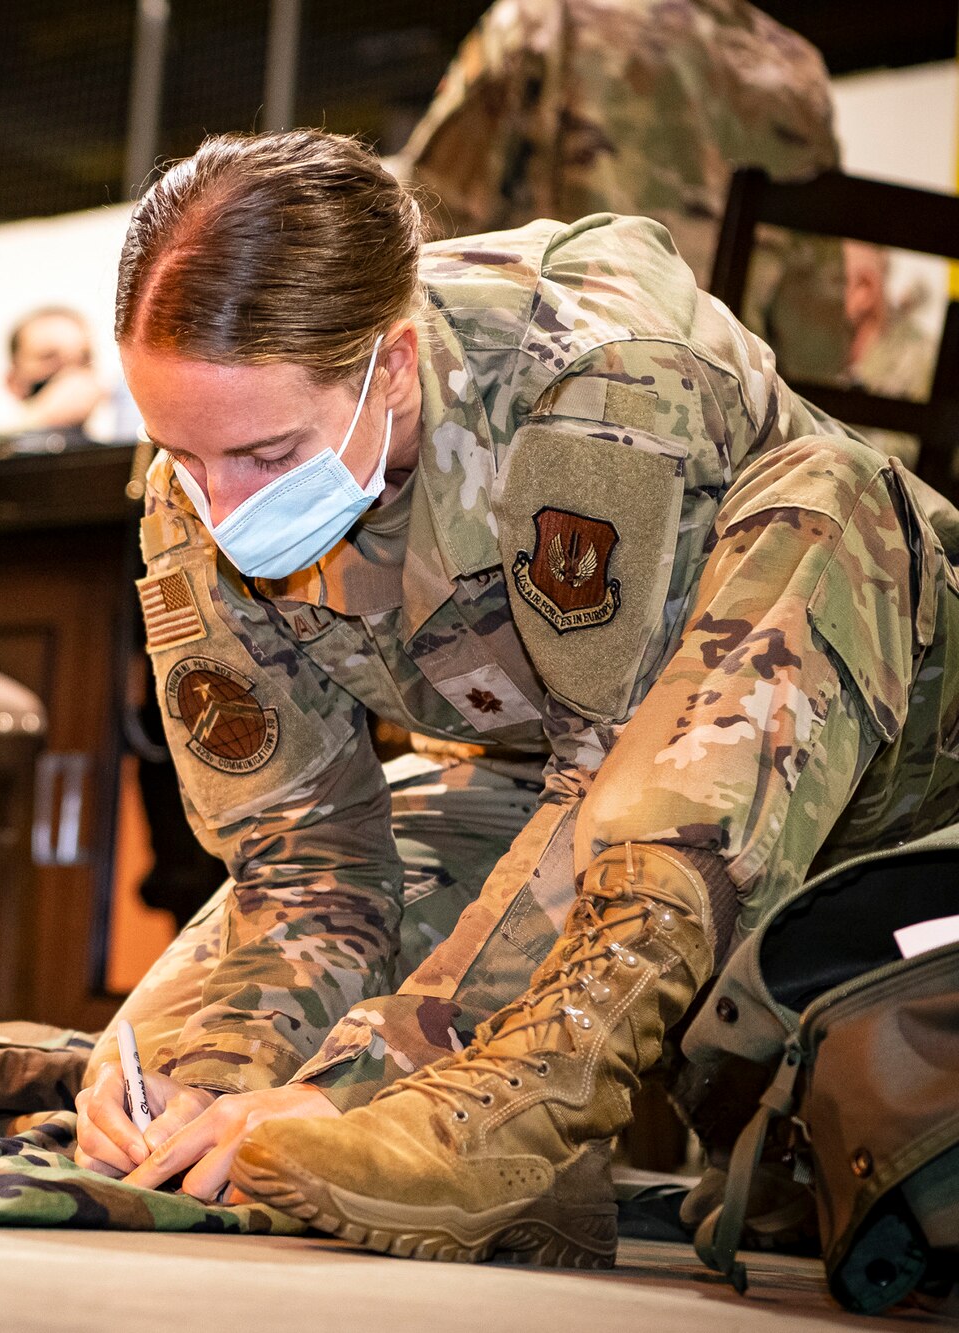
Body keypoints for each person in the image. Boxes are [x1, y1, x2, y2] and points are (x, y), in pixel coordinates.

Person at [74, 130, 959, 1267]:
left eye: (263, 453)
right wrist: (210, 1070)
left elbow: (608, 786)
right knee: (155, 1079)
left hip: (886, 795)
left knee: (831, 495)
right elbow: (302, 864)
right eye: (179, 454)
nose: (217, 504)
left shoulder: (595, 389)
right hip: (579, 794)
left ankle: (520, 1116)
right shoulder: (201, 470)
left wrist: (372, 1076)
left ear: (391, 366)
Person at [394, 0, 852, 386]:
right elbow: (816, 336)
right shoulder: (797, 70)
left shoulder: (546, 16)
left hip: (556, 399)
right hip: (728, 423)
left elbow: (423, 217)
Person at [0, 307, 109, 458]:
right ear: (12, 380)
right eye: (49, 357)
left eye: (84, 358)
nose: (70, 374)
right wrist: (42, 418)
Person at [843, 240, 941, 470]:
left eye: (838, 280)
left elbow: (912, 456)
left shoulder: (921, 357)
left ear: (864, 287)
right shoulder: (800, 349)